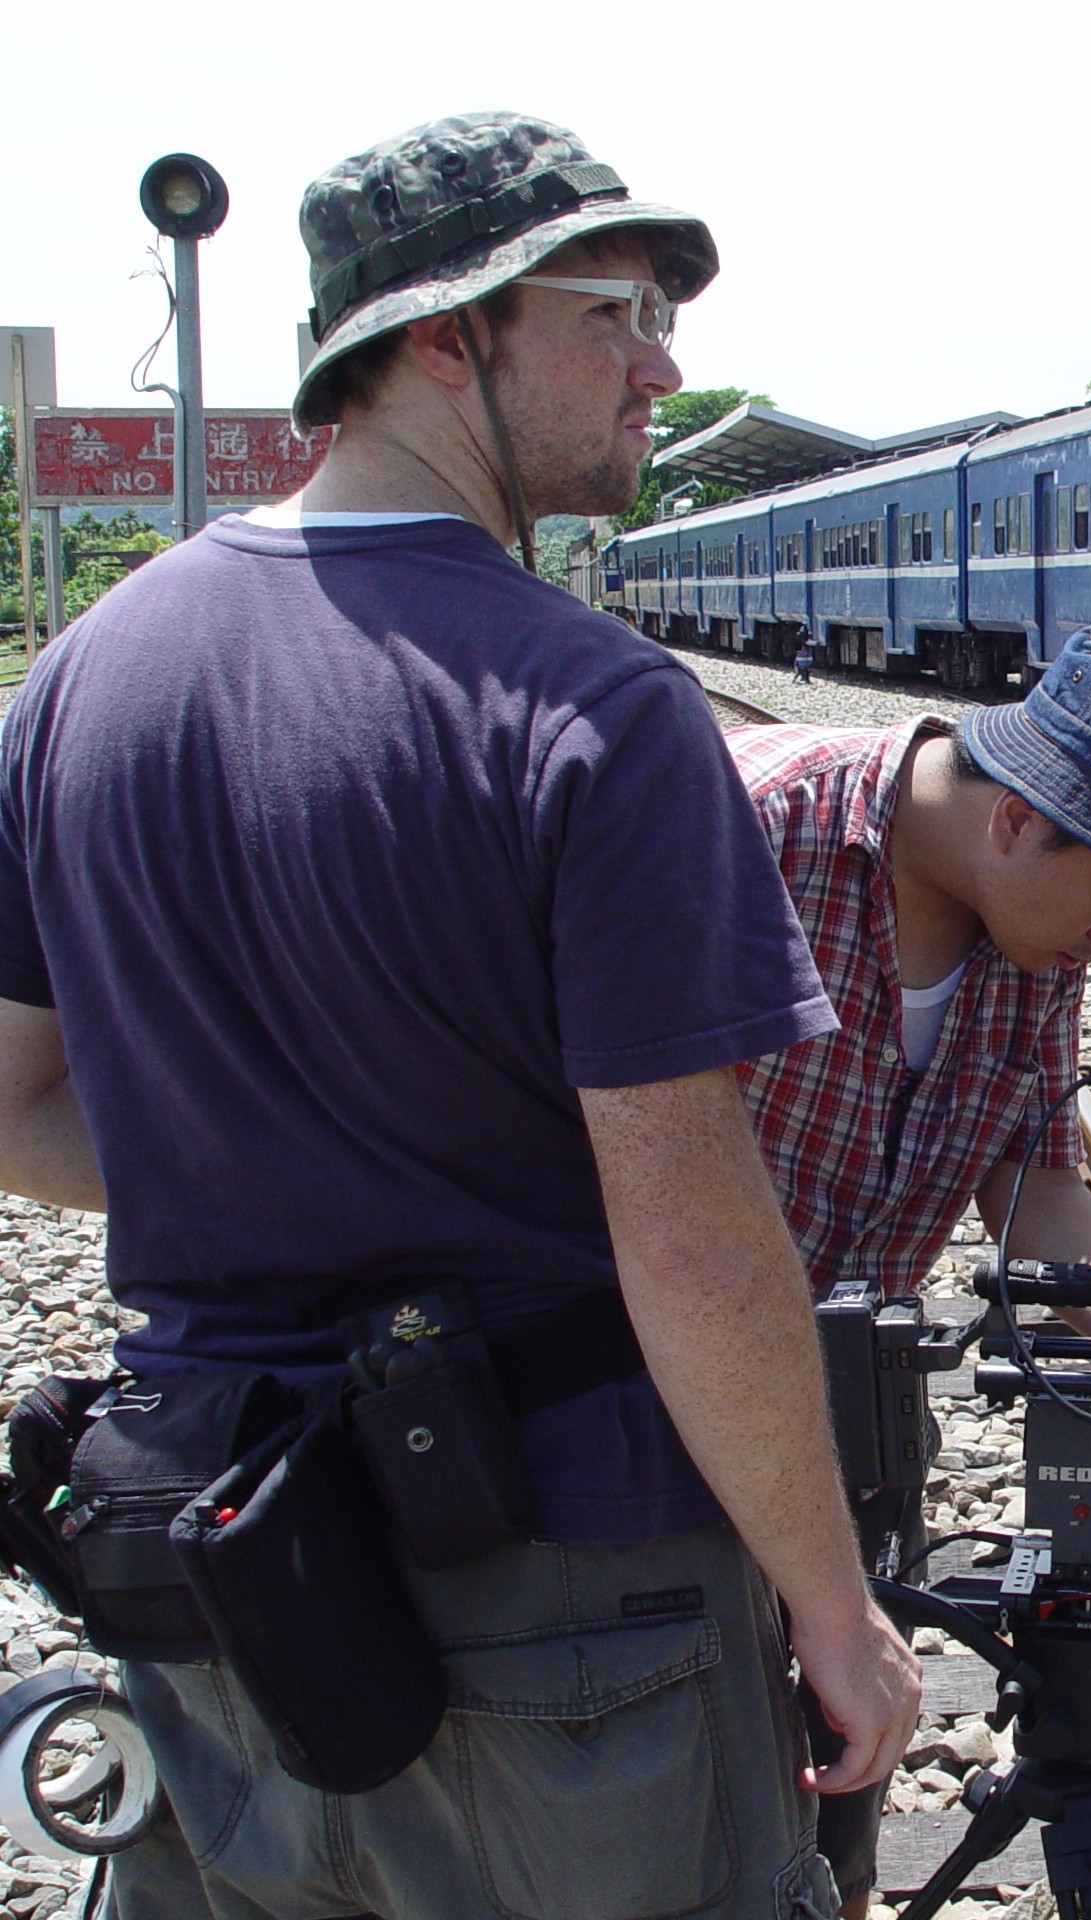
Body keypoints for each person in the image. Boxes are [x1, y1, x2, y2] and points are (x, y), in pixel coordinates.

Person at [0, 114, 915, 1919]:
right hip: (568, 1610)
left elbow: (9, 1106)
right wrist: (832, 1598)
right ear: (445, 336)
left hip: (228, 1584)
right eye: (617, 311)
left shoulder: (82, 681)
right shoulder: (594, 710)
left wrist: (276, 1186)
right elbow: (698, 1243)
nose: (664, 365)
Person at [724, 623, 1091, 1915]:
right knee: (696, 1827)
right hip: (657, 1422)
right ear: (1020, 822)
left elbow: (1032, 1189)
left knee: (830, 1805)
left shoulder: (1032, 941)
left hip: (856, 1427)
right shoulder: (746, 831)